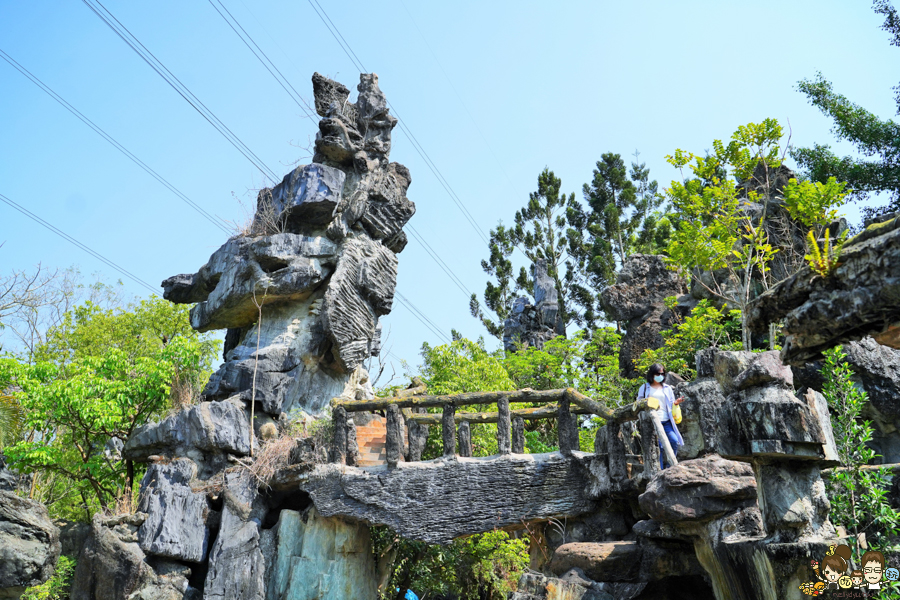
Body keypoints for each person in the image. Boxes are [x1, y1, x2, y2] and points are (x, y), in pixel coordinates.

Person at [637, 363, 684, 469]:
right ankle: (660, 471)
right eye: (658, 373)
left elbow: (671, 403)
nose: (660, 375)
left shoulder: (667, 388)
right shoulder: (644, 388)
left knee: (674, 441)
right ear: (652, 374)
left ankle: (669, 468)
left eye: (662, 373)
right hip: (652, 421)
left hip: (666, 420)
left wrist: (676, 403)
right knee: (660, 447)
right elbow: (638, 404)